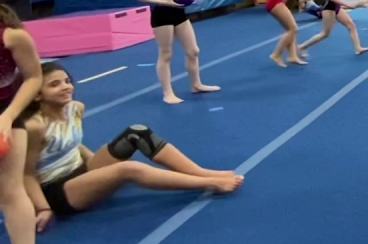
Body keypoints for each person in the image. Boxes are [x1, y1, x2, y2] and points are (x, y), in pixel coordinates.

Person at [23, 63, 243, 229]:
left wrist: (96, 168)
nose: (65, 87)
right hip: (58, 191)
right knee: (128, 169)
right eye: (54, 85)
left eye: (67, 81)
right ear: (37, 95)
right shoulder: (35, 126)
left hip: (78, 172)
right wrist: (43, 208)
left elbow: (74, 145)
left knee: (137, 132)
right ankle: (209, 183)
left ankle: (202, 172)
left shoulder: (75, 108)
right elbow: (27, 174)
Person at [133, 0, 219, 105]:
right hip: (162, 13)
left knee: (193, 51)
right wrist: (163, 1)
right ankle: (168, 92)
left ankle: (196, 84)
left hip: (179, 13)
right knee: (166, 54)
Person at [0, 4, 41, 244]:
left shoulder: (12, 36)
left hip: (4, 116)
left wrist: (8, 115)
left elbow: (33, 76)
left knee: (10, 191)